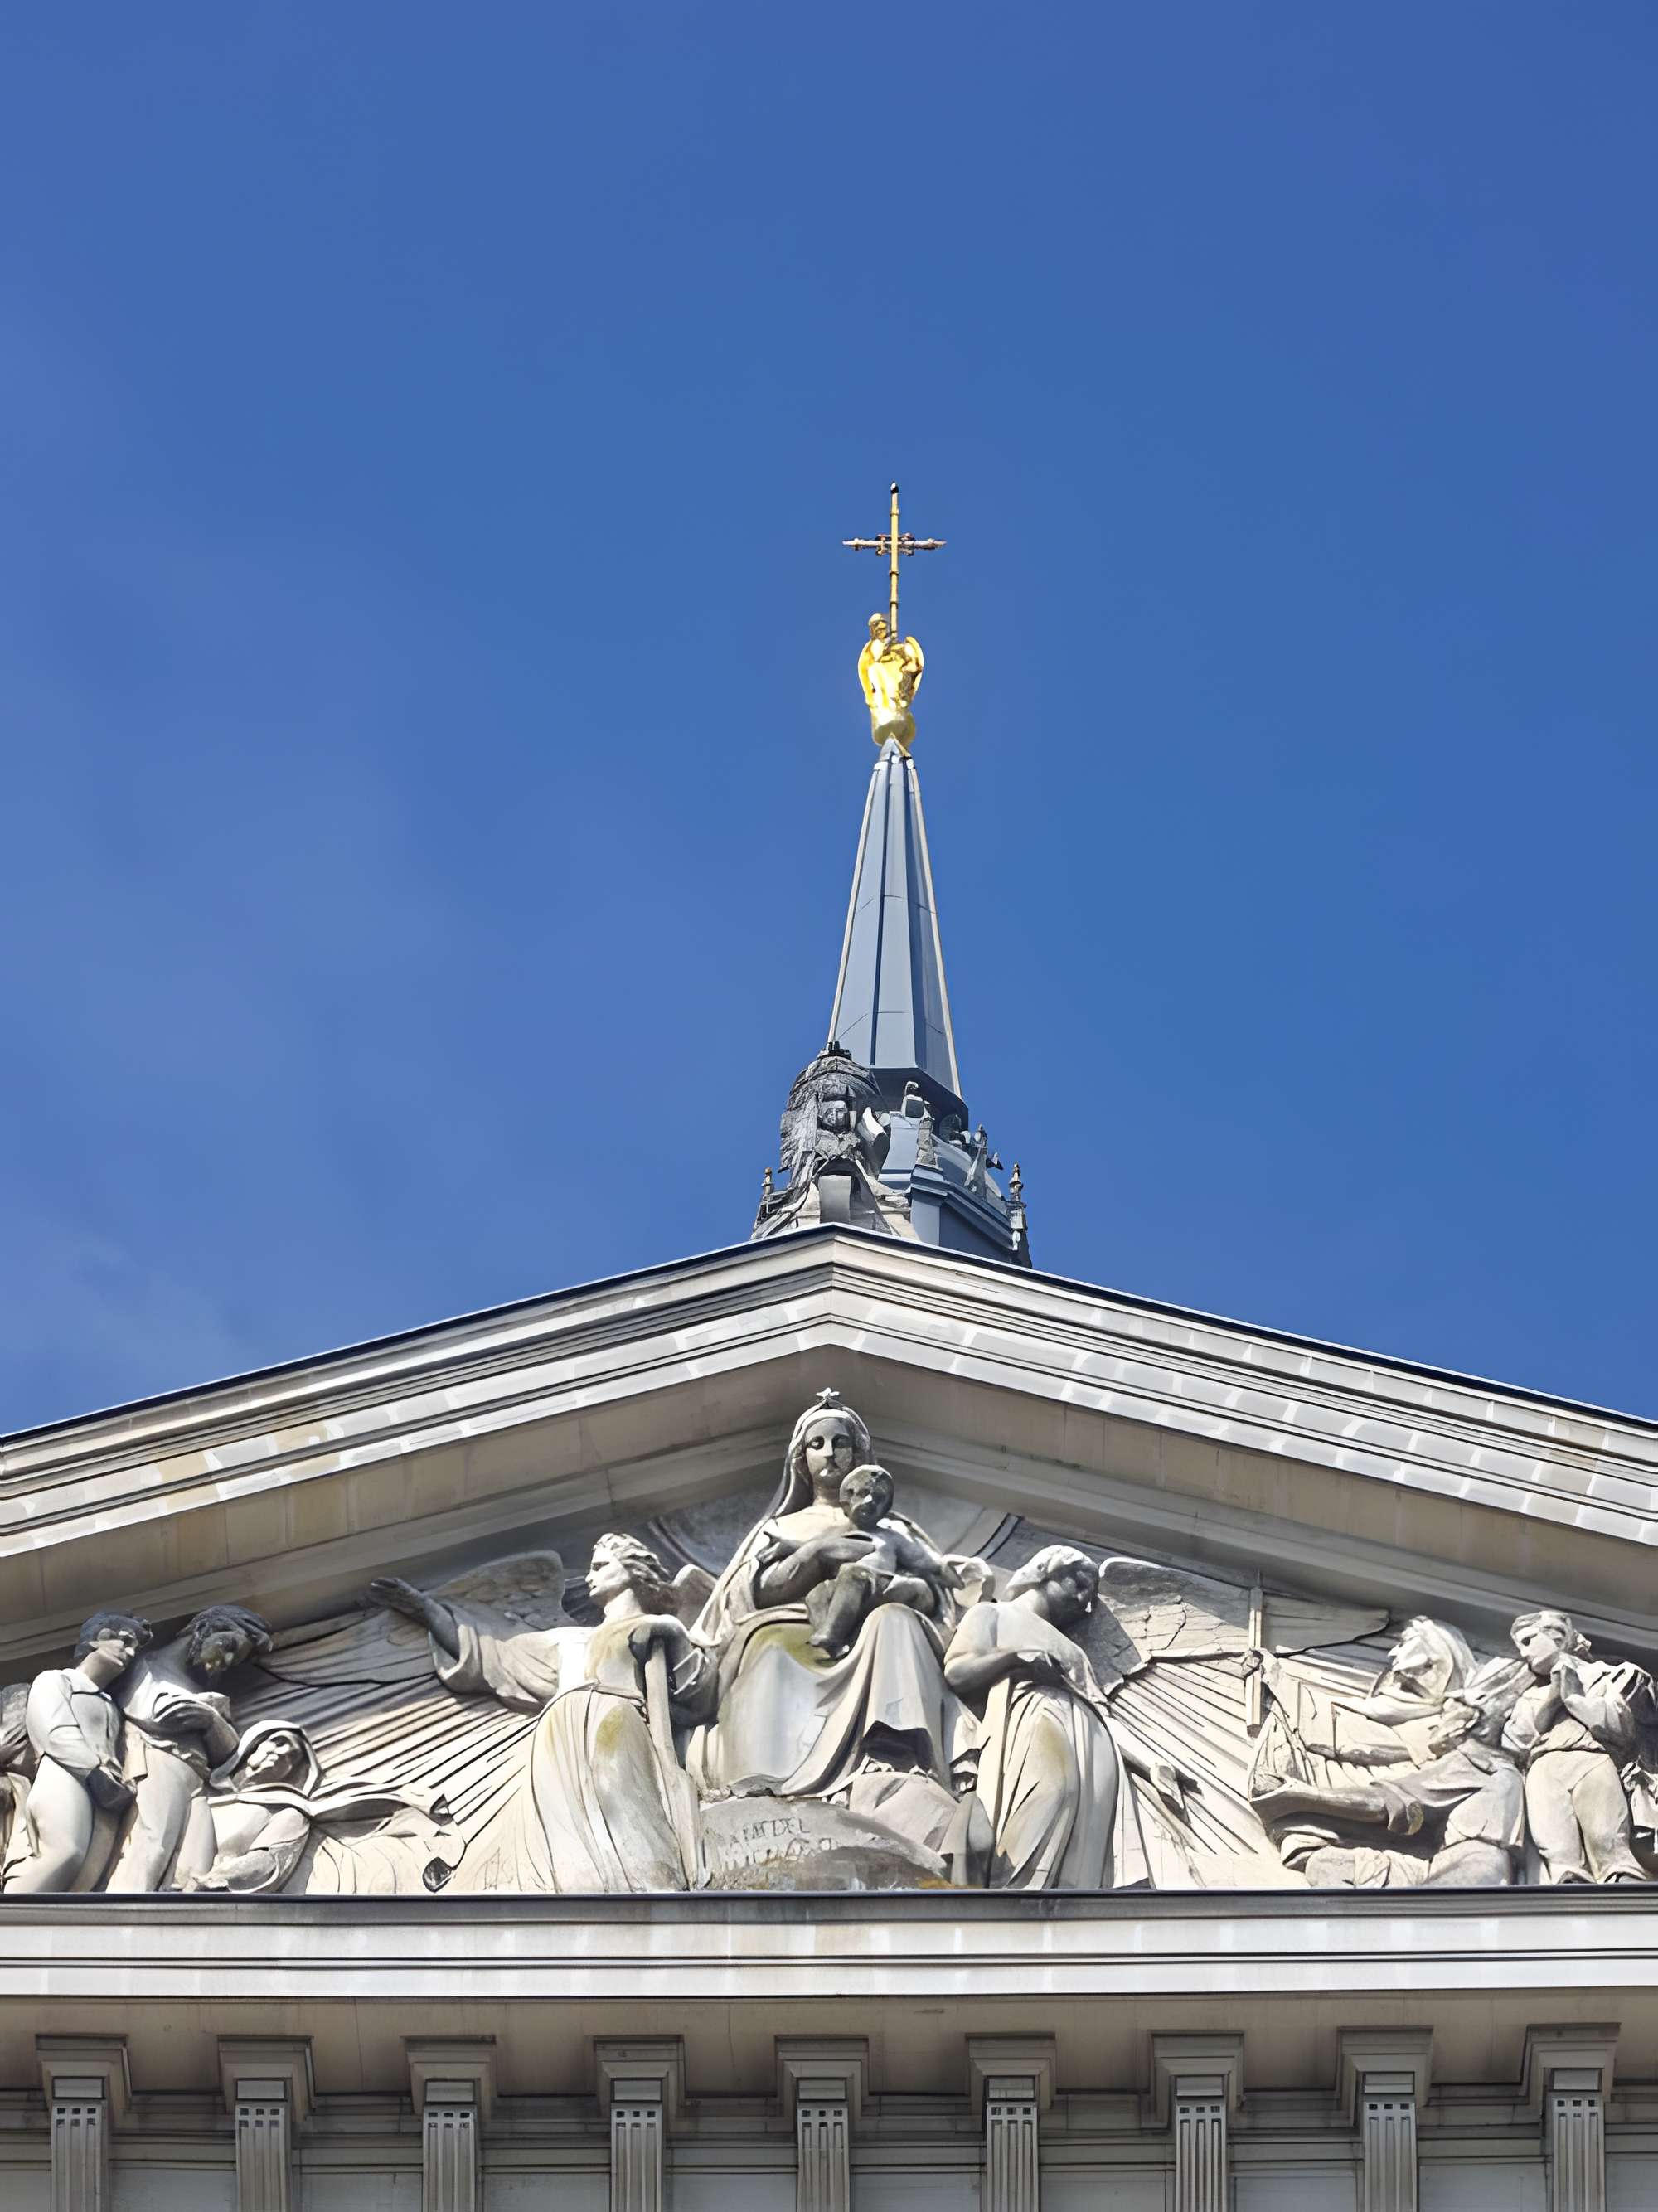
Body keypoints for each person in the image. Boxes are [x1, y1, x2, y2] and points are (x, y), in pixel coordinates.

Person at [686, 1393, 973, 1836]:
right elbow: (753, 1592)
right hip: (789, 1629)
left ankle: (894, 1757)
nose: (830, 1454)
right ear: (800, 1460)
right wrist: (818, 1553)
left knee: (895, 1623)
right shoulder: (780, 1528)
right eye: (817, 1445)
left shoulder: (894, 1531)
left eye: (842, 1444)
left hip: (872, 1627)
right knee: (771, 1652)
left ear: (859, 1457)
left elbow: (934, 1591)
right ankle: (765, 1786)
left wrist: (906, 1590)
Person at [369, 1531, 715, 1893]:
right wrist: (425, 1608)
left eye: (600, 1566)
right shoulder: (568, 1642)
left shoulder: (656, 1631)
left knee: (628, 1814)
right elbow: (491, 1653)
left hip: (613, 1727)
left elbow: (700, 1697)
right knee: (564, 1846)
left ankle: (651, 1892)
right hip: (555, 1740)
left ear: (631, 1571)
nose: (590, 1575)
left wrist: (673, 1634)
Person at [944, 1546, 1154, 1889]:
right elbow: (957, 1672)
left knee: (1085, 1834)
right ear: (1046, 1570)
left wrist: (1151, 1765)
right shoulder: (992, 1615)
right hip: (1036, 1717)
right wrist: (1014, 1659)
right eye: (1080, 1582)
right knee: (1053, 1793)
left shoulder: (1074, 1652)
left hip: (1091, 1740)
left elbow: (1104, 1712)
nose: (1084, 1598)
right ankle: (1019, 1897)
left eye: (1091, 1592)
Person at [177, 1720, 463, 1896]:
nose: (280, 1753)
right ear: (248, 1751)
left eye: (291, 1753)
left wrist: (215, 1879)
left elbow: (266, 1864)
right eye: (274, 1743)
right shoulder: (200, 1795)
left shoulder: (289, 1812)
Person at [105, 1602, 273, 1893]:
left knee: (197, 1868)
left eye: (234, 1659)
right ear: (202, 1629)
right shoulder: (148, 1665)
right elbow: (144, 1711)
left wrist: (210, 1721)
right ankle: (118, 1924)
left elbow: (228, 1753)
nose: (226, 1660)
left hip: (197, 1776)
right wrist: (202, 1716)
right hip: (158, 1759)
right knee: (153, 1846)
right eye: (227, 1645)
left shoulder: (203, 1691)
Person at [1503, 1609, 1655, 1885]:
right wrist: (1551, 1701)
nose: (1524, 1654)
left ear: (1557, 1636)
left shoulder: (1603, 1676)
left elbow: (1622, 1727)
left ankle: (1626, 1900)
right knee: (1556, 1846)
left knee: (1607, 1839)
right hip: (1543, 1768)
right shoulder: (1531, 1696)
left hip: (1592, 1760)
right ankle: (1568, 1905)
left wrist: (1575, 1700)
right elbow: (1514, 1742)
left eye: (1528, 1641)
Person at [3, 1612, 151, 1894]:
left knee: (89, 1874)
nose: (131, 1653)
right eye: (125, 1642)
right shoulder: (55, 1680)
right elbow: (53, 1730)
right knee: (64, 1853)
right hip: (65, 1775)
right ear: (100, 1639)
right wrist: (95, 1771)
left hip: (105, 1792)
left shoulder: (110, 1704)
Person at [787, 1463, 957, 1658]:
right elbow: (808, 1548)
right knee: (816, 1594)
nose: (869, 1501)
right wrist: (785, 1546)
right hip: (859, 1593)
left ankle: (832, 1633)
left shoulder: (891, 1536)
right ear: (846, 1499)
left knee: (854, 1573)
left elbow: (925, 1560)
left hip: (896, 1587)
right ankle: (836, 1644)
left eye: (879, 1498)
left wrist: (951, 1568)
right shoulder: (838, 1538)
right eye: (863, 1493)